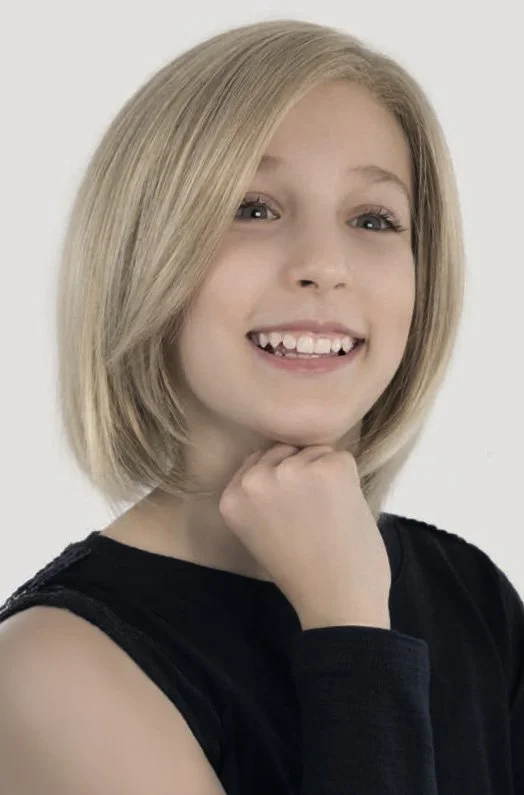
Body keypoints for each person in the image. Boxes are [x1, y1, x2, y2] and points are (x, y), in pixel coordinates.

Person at [0, 17, 522, 795]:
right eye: (253, 207)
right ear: (147, 251)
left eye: (374, 219)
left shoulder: (471, 590)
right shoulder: (47, 669)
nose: (324, 264)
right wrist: (348, 624)